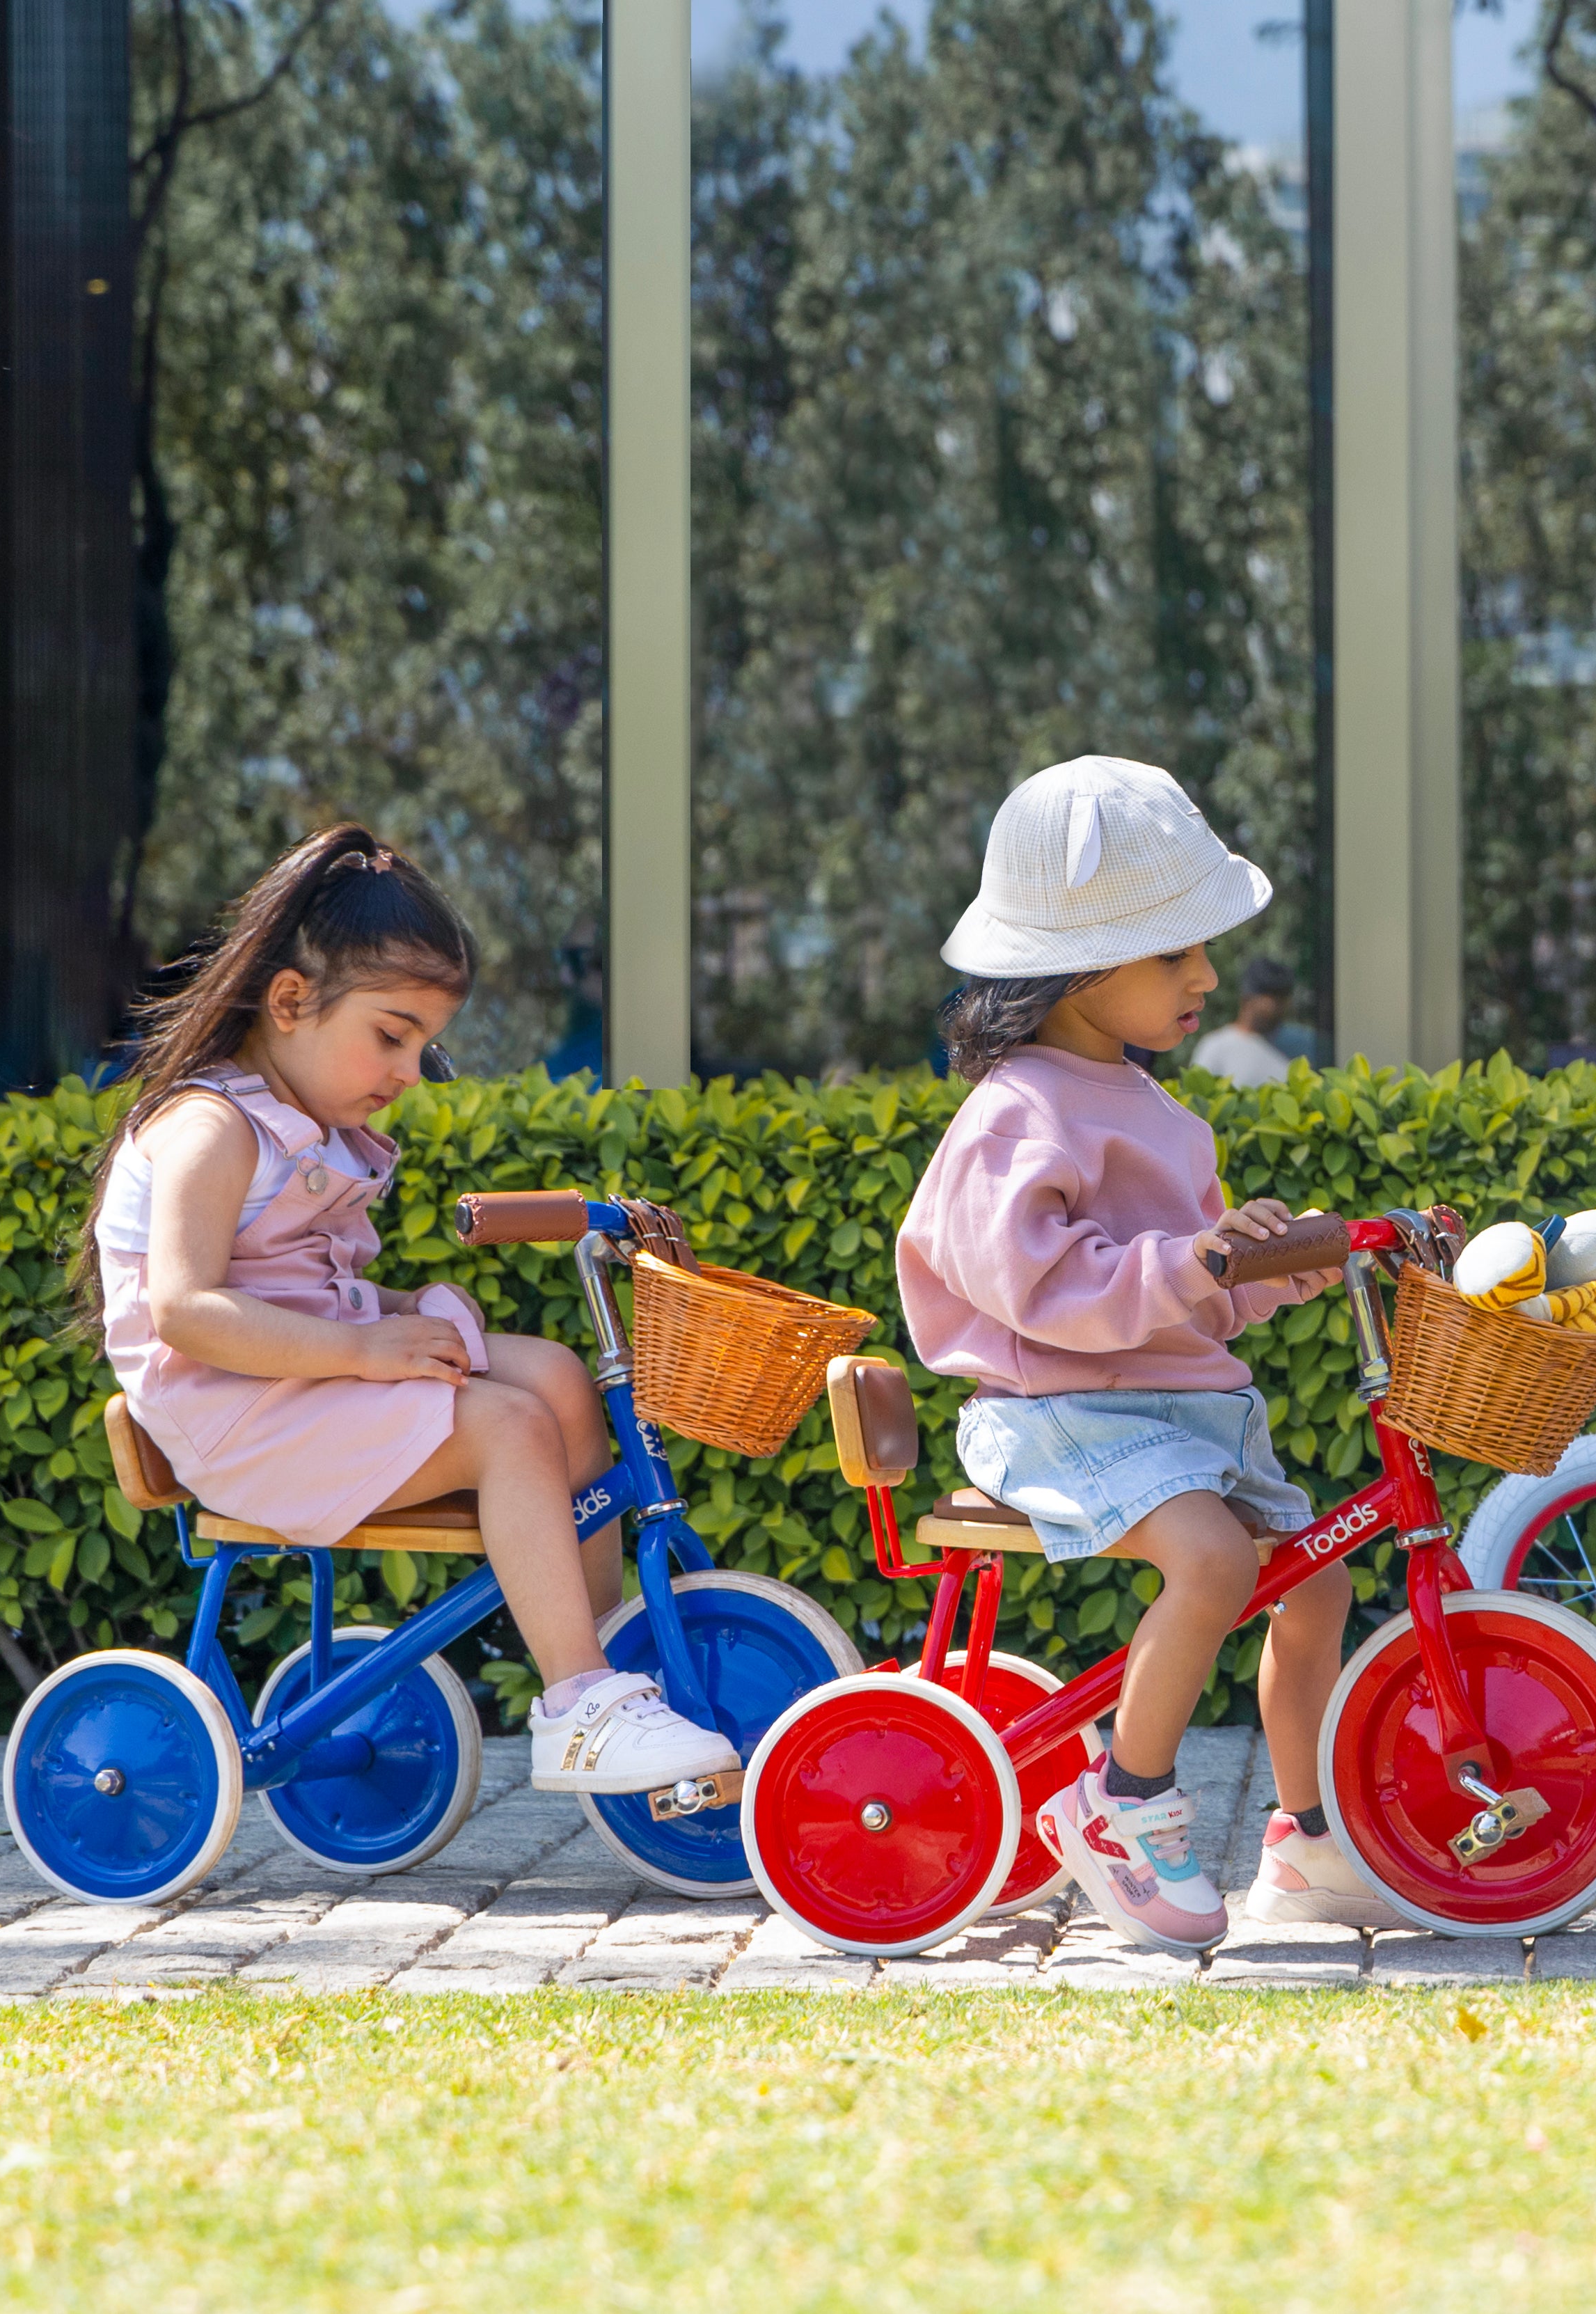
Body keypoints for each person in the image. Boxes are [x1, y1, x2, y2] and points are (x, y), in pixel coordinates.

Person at [79, 824, 735, 1798]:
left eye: (424, 1044)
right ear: (292, 1001)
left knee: (555, 1376)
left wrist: (391, 1311)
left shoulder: (306, 1123)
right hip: (235, 1410)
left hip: (305, 1378)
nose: (410, 1069)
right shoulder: (210, 1128)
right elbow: (187, 1311)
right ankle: (578, 1702)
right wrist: (365, 1348)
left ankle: (604, 1653)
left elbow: (289, 1279)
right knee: (508, 1427)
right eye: (392, 1035)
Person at [896, 757, 1394, 1949]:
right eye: (1175, 954)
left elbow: (1187, 1302)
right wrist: (1196, 1263)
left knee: (1315, 1573)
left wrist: (1264, 1270)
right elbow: (1044, 1289)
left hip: (1171, 1415)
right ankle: (1122, 1802)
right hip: (1055, 1411)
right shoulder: (1017, 1111)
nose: (1208, 977)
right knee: (1215, 1561)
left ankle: (1303, 1831)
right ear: (1075, 968)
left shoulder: (1162, 1112)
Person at [1189, 955, 1296, 1087]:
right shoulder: (1216, 1047)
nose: (1280, 1008)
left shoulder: (1296, 1046)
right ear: (1248, 999)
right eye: (1274, 1000)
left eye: (1284, 1000)